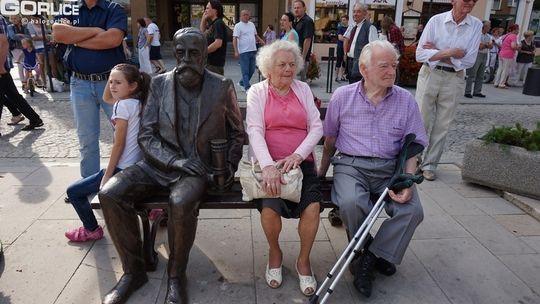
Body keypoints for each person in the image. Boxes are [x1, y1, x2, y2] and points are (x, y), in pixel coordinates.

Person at [98, 27, 245, 304]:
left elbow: (237, 133)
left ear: (205, 55)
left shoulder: (222, 86)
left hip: (197, 170)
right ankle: (133, 271)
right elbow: (146, 134)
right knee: (110, 194)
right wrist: (174, 160)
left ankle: (176, 276)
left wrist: (227, 167)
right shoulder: (159, 83)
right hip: (158, 164)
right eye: (180, 53)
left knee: (180, 201)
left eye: (194, 53)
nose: (186, 59)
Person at [319, 40, 428, 298]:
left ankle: (368, 257)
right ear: (364, 69)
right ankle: (371, 252)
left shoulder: (406, 101)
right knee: (350, 202)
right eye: (384, 66)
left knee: (412, 211)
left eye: (394, 65)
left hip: (392, 168)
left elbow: (412, 146)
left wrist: (409, 181)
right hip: (351, 165)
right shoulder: (343, 97)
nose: (392, 71)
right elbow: (330, 139)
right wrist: (322, 173)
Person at [246, 40, 323, 297]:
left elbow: (316, 127)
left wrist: (299, 155)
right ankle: (275, 252)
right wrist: (268, 166)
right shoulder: (257, 92)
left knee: (313, 208)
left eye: (292, 64)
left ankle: (303, 261)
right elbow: (255, 130)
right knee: (269, 208)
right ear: (269, 67)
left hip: (301, 164)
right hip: (270, 164)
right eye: (282, 64)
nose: (288, 69)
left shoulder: (301, 89)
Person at [65, 64, 150, 242]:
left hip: (121, 169)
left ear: (133, 86)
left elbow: (119, 144)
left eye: (118, 82)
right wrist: (112, 73)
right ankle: (153, 210)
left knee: (73, 192)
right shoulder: (138, 103)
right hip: (137, 168)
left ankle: (91, 229)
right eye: (111, 81)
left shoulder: (122, 106)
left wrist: (107, 175)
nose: (112, 86)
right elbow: (107, 97)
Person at [52, 0, 127, 179]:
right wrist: (95, 31)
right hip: (80, 83)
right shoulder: (69, 8)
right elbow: (58, 33)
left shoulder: (114, 9)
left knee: (124, 136)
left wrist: (76, 39)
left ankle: (124, 183)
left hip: (112, 84)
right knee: (87, 140)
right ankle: (88, 184)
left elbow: (112, 39)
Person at [415, 0, 482, 181]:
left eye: (474, 0)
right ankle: (414, 161)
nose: (470, 3)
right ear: (453, 0)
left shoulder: (476, 25)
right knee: (421, 120)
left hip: (454, 78)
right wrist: (451, 52)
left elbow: (469, 61)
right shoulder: (436, 21)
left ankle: (430, 165)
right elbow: (420, 54)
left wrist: (436, 52)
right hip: (430, 74)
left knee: (443, 125)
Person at [0, 15, 44, 136]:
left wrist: (0, 66)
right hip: (2, 67)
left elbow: (3, 42)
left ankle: (33, 119)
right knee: (13, 95)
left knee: (9, 96)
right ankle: (34, 119)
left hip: (1, 66)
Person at [343, 3, 378, 84]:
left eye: (358, 12)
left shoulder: (370, 28)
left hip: (362, 66)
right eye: (354, 11)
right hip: (351, 63)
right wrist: (345, 54)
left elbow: (375, 49)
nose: (355, 14)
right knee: (352, 86)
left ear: (365, 13)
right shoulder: (354, 27)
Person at [233, 9, 264, 92]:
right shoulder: (238, 26)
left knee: (252, 70)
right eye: (244, 15)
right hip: (243, 52)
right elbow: (235, 38)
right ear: (240, 16)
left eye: (247, 15)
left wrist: (261, 40)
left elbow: (255, 35)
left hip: (253, 50)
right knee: (245, 71)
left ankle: (241, 82)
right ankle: (247, 87)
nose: (246, 16)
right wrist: (236, 51)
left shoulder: (251, 25)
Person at [464, 20, 492, 98]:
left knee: (481, 74)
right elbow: (480, 46)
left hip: (484, 54)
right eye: (489, 26)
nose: (490, 27)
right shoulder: (477, 35)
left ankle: (477, 91)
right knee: (472, 74)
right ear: (484, 27)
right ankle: (467, 91)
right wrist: (486, 45)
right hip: (477, 54)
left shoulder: (489, 36)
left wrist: (485, 45)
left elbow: (491, 46)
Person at [200, 0, 228, 75]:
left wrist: (203, 52)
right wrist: (203, 19)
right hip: (209, 63)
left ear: (215, 10)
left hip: (214, 65)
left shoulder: (218, 23)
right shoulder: (212, 24)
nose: (205, 10)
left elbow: (218, 43)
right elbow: (202, 34)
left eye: (208, 8)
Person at [292, 0, 314, 81]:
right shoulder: (296, 21)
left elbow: (307, 39)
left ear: (304, 8)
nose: (296, 10)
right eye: (295, 8)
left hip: (301, 58)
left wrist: (303, 57)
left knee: (300, 83)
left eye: (298, 7)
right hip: (294, 56)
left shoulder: (307, 21)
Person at [493, 24, 519, 89]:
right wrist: (518, 47)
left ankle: (496, 82)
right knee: (505, 69)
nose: (518, 31)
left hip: (501, 53)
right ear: (515, 30)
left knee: (500, 69)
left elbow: (500, 43)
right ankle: (501, 84)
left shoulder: (506, 35)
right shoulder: (513, 36)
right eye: (518, 29)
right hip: (508, 55)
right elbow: (513, 46)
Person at [7, 15, 28, 89]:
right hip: (15, 48)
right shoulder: (10, 27)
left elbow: (29, 37)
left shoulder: (24, 26)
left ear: (19, 18)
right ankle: (23, 82)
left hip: (25, 47)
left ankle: (27, 81)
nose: (13, 20)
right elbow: (12, 36)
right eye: (12, 18)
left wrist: (20, 35)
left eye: (15, 18)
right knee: (20, 65)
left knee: (27, 64)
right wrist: (23, 36)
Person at [335, 15, 348, 82]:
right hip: (340, 47)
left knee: (344, 62)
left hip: (346, 47)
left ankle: (342, 76)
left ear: (347, 20)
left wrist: (346, 40)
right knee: (338, 61)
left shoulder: (349, 28)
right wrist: (347, 40)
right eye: (342, 20)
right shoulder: (340, 28)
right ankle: (336, 76)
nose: (343, 21)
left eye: (344, 20)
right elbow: (340, 38)